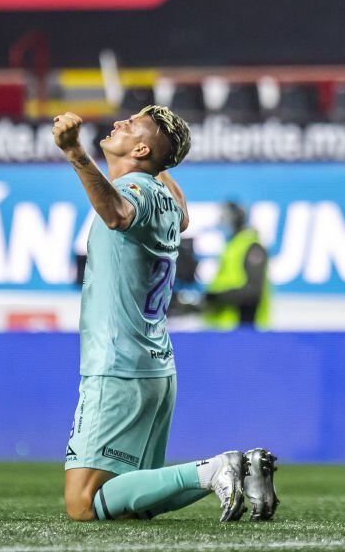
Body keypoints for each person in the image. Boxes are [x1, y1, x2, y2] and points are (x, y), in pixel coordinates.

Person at [55, 107, 279, 523]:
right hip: (156, 368)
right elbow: (167, 190)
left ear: (141, 149)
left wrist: (74, 153)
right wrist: (150, 153)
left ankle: (215, 470)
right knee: (133, 498)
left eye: (132, 124)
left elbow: (117, 214)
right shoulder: (168, 199)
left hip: (116, 365)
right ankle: (243, 470)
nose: (119, 122)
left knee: (84, 502)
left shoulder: (137, 192)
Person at [203, 201, 271, 329]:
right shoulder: (231, 247)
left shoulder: (251, 247)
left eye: (225, 217)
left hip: (245, 331)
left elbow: (252, 292)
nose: (222, 222)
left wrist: (216, 297)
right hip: (224, 329)